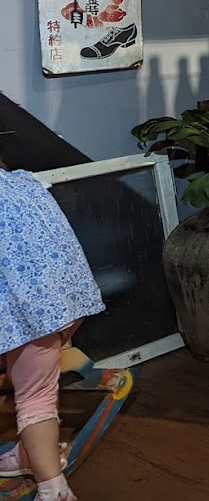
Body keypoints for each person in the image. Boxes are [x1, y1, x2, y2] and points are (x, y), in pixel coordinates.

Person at [0, 169, 105, 501]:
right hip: (66, 302)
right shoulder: (21, 181)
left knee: (34, 397)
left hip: (26, 318)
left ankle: (54, 490)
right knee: (38, 384)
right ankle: (29, 454)